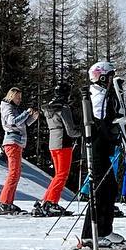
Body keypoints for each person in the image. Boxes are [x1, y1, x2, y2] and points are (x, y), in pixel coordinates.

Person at [78, 61, 126, 249]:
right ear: (103, 77)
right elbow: (100, 124)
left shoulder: (103, 95)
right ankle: (90, 235)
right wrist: (115, 129)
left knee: (110, 188)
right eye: (110, 75)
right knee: (99, 190)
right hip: (96, 149)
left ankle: (105, 230)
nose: (112, 80)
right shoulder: (97, 96)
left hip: (103, 149)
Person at [37, 79, 80, 216]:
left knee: (58, 175)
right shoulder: (63, 107)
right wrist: (84, 131)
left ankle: (46, 200)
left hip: (53, 142)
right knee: (62, 174)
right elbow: (71, 131)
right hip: (63, 142)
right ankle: (51, 202)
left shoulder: (48, 108)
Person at [0, 87, 38, 215]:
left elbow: (23, 124)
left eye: (20, 97)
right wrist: (26, 113)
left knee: (16, 173)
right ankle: (4, 202)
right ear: (12, 96)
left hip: (17, 142)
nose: (19, 100)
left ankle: (8, 202)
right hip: (12, 141)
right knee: (14, 173)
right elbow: (12, 121)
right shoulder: (7, 107)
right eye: (18, 97)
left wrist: (33, 116)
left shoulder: (14, 108)